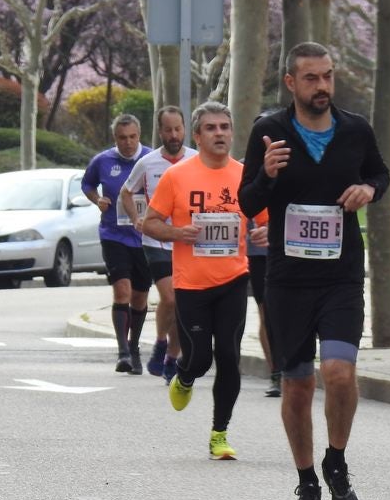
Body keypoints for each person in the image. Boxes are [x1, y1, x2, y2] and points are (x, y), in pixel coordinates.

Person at [239, 41, 390, 500]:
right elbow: (246, 201)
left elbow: (380, 174)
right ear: (291, 83)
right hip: (288, 280)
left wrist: (369, 189)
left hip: (341, 274)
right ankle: (307, 481)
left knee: (340, 372)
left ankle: (336, 459)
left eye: (327, 76)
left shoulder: (355, 130)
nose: (322, 86)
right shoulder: (270, 132)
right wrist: (265, 175)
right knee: (298, 384)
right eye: (311, 78)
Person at [144, 102, 265, 461]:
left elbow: (269, 220)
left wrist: (265, 234)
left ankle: (219, 433)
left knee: (229, 356)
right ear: (197, 136)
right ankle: (184, 374)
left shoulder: (245, 176)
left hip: (233, 280)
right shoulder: (177, 177)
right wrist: (178, 232)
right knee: (199, 359)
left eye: (225, 127)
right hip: (191, 285)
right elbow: (149, 222)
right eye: (211, 128)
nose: (219, 134)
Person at [120, 106, 195, 384]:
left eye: (178, 129)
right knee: (172, 297)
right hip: (156, 240)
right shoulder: (147, 163)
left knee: (181, 304)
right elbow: (126, 192)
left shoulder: (196, 160)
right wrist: (136, 218)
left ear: (185, 129)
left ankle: (169, 354)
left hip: (187, 243)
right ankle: (163, 342)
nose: (174, 135)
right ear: (160, 131)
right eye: (168, 130)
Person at [82, 113, 152, 373]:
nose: (128, 143)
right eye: (123, 138)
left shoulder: (151, 159)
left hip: (145, 237)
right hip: (114, 234)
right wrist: (96, 199)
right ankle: (122, 351)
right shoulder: (102, 161)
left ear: (139, 136)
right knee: (122, 290)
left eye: (133, 137)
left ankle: (134, 347)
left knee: (140, 297)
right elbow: (87, 184)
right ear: (115, 138)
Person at [247, 217, 281, 397]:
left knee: (290, 311)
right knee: (266, 310)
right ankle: (276, 373)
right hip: (258, 250)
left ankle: (293, 367)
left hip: (292, 247)